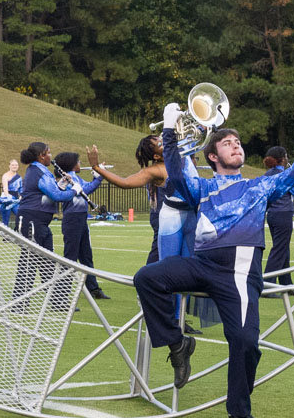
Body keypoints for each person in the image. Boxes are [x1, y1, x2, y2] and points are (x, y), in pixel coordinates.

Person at [133, 94, 294, 418]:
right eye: (228, 143)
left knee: (246, 341)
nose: (236, 147)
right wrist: (172, 131)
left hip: (240, 270)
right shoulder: (201, 187)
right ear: (212, 156)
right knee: (147, 277)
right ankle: (178, 343)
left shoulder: (261, 185)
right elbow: (174, 169)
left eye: (238, 143)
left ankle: (238, 411)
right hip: (202, 266)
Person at [88, 136, 212, 333]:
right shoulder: (156, 169)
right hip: (171, 220)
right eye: (160, 143)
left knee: (188, 269)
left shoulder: (184, 154)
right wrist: (97, 168)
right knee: (170, 269)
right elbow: (126, 182)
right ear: (156, 155)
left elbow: (201, 133)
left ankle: (180, 319)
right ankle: (168, 317)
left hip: (192, 217)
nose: (165, 140)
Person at [14, 142, 75, 306]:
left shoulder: (40, 171)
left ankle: (55, 301)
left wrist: (63, 184)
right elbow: (56, 195)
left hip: (40, 221)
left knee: (47, 261)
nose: (51, 156)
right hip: (31, 220)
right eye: (49, 153)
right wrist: (75, 190)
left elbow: (53, 190)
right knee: (29, 261)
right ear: (42, 155)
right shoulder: (37, 171)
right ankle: (20, 302)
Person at [54, 150, 108, 299]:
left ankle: (93, 289)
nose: (80, 164)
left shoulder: (76, 178)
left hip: (81, 218)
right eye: (78, 162)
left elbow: (88, 187)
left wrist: (97, 175)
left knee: (86, 256)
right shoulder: (65, 179)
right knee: (70, 257)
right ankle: (62, 294)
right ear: (71, 165)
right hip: (72, 220)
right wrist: (100, 176)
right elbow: (87, 189)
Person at [262, 146, 294, 287]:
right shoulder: (287, 176)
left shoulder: (267, 175)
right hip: (284, 215)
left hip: (272, 215)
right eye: (287, 156)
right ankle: (267, 283)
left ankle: (286, 284)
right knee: (279, 250)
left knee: (283, 249)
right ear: (282, 159)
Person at [0, 159, 23, 227]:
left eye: (16, 165)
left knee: (19, 214)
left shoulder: (19, 177)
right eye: (12, 165)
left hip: (15, 199)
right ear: (9, 166)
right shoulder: (5, 176)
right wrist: (8, 197)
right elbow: (5, 188)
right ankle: (4, 235)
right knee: (5, 219)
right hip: (6, 198)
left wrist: (21, 196)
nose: (14, 166)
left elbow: (21, 189)